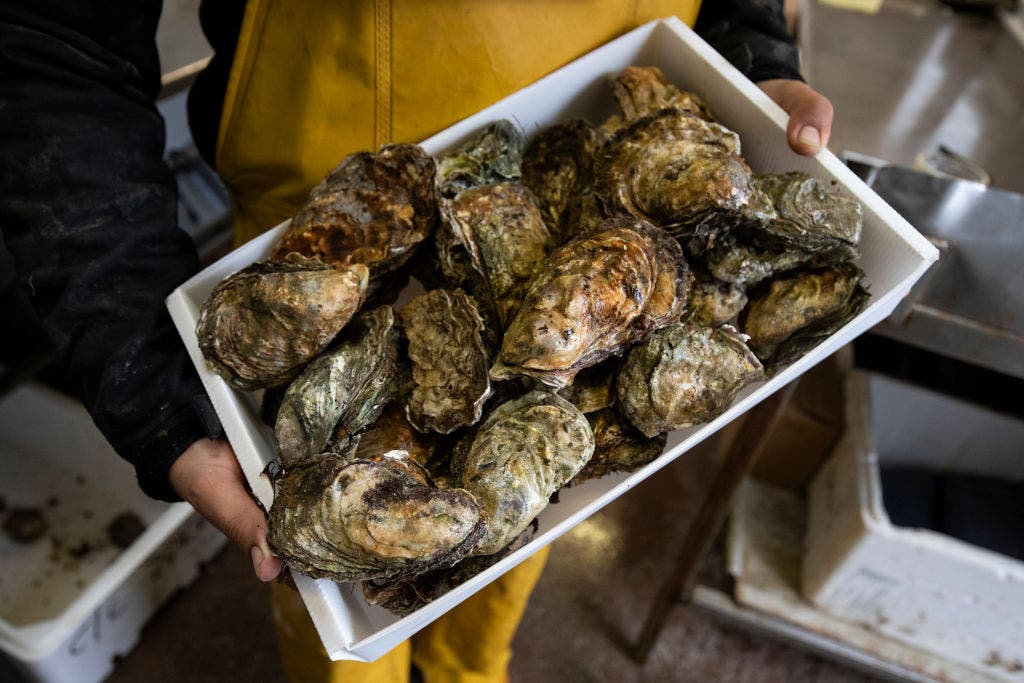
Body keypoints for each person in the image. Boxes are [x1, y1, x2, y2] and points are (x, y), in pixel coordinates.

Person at [0, 1, 833, 681]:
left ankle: (470, 667)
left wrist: (751, 53)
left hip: (586, 167)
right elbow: (54, 49)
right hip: (321, 233)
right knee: (335, 585)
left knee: (516, 521)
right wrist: (147, 376)